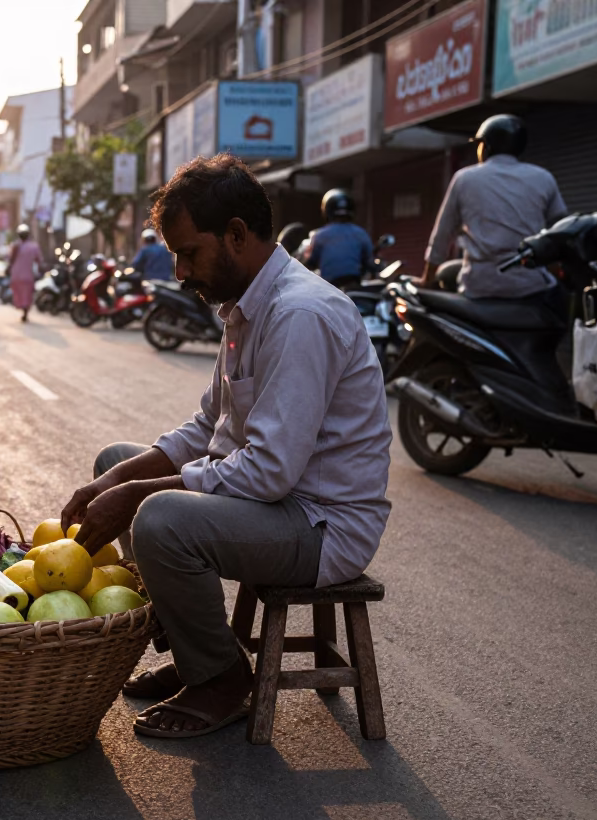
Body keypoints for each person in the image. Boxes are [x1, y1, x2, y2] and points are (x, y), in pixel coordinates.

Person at [60, 154, 391, 739]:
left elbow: (268, 473)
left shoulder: (299, 314)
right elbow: (205, 430)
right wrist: (114, 484)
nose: (183, 272)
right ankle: (197, 651)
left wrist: (138, 495)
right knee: (116, 463)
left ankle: (220, 679)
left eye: (190, 252)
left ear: (236, 235)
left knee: (159, 514)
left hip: (318, 524)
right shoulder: (244, 309)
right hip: (275, 506)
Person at [421, 114, 567, 299]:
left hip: (479, 288)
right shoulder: (543, 177)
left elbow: (442, 236)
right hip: (531, 286)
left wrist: (427, 280)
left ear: (487, 147)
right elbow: (560, 232)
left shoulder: (465, 178)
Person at [304, 189, 373, 291]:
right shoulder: (360, 233)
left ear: (326, 209)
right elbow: (369, 260)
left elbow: (311, 262)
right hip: (353, 286)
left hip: (329, 287)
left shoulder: (320, 235)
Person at [7, 223, 42, 322]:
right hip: (27, 275)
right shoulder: (32, 247)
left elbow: (10, 259)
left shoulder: (15, 246)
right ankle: (25, 310)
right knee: (27, 294)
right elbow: (39, 260)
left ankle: (24, 310)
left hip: (17, 275)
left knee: (21, 294)